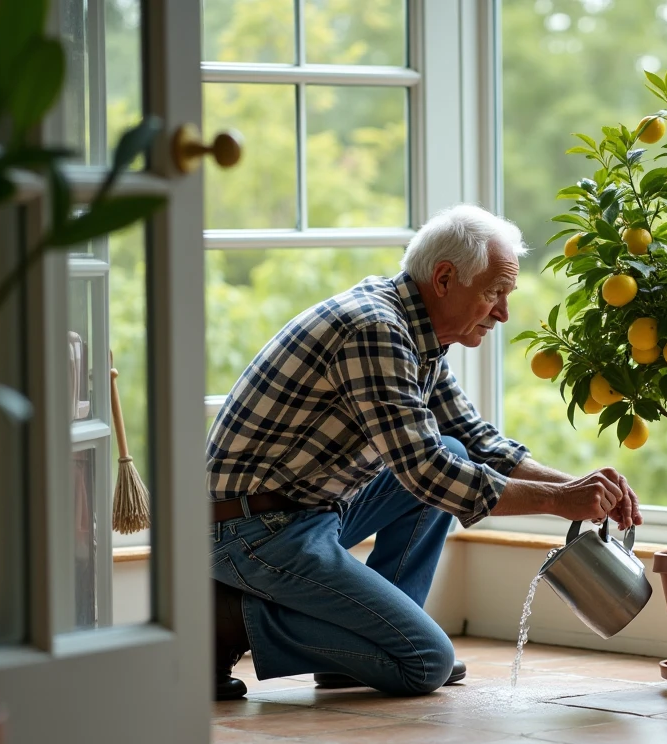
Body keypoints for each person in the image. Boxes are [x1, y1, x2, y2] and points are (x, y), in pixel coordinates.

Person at [207, 205, 643, 700]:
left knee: (454, 447)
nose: (503, 312)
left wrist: (576, 488)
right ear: (444, 279)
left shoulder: (417, 331)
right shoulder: (374, 329)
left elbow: (474, 439)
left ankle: (359, 650)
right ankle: (224, 619)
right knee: (424, 663)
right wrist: (557, 502)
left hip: (307, 511)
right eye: (494, 292)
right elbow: (428, 472)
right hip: (249, 529)